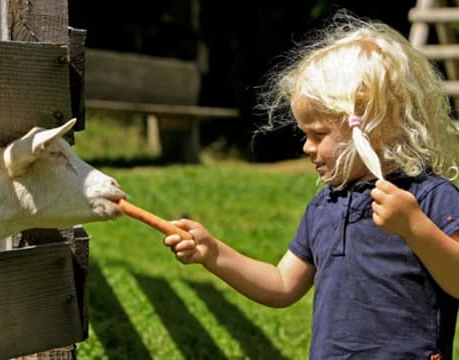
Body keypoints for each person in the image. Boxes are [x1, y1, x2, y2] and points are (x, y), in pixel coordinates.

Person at [164, 12, 459, 359]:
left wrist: (414, 227)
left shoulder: (429, 197)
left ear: (378, 128)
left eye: (318, 134)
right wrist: (215, 254)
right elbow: (282, 285)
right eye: (306, 134)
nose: (307, 147)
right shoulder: (325, 206)